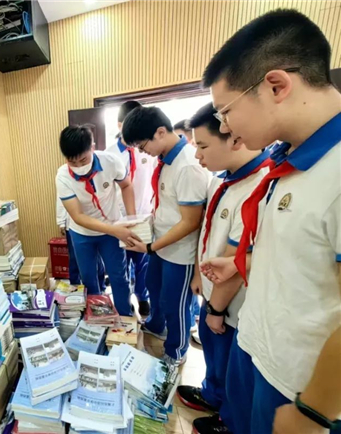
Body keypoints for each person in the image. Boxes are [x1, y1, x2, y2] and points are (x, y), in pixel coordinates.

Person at [202, 9, 341, 434]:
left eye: (225, 111)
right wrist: (243, 263)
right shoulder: (287, 161)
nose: (226, 126)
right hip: (255, 349)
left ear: (276, 86)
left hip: (299, 387)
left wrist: (315, 409)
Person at [175, 103, 270, 434]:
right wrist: (199, 276)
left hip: (232, 304)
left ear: (234, 139)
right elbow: (208, 232)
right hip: (212, 291)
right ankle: (213, 395)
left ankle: (227, 420)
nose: (197, 154)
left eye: (203, 146)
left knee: (232, 367)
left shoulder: (259, 186)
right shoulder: (221, 180)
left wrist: (216, 309)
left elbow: (236, 260)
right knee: (215, 357)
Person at [123, 106, 209, 366]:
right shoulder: (165, 159)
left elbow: (191, 222)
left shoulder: (188, 165)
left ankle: (176, 351)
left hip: (180, 252)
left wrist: (150, 247)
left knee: (175, 304)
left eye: (142, 145)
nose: (142, 152)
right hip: (161, 244)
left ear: (160, 132)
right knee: (155, 288)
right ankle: (157, 326)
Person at [55, 125, 138, 316]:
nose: (78, 166)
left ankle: (125, 316)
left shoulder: (111, 161)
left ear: (92, 147)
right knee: (89, 278)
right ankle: (99, 318)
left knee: (118, 276)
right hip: (82, 233)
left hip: (112, 229)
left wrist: (132, 219)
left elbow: (126, 186)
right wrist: (114, 230)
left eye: (83, 160)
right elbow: (78, 216)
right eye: (72, 161)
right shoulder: (63, 176)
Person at [106, 100, 155, 317]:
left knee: (143, 262)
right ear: (120, 125)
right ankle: (125, 302)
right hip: (118, 219)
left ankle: (143, 297)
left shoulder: (148, 151)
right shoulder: (108, 155)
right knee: (120, 265)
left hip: (143, 216)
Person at [56, 195, 106, 290]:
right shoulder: (65, 184)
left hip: (94, 224)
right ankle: (75, 287)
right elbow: (61, 200)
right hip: (73, 226)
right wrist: (61, 222)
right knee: (74, 257)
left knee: (97, 257)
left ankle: (100, 286)